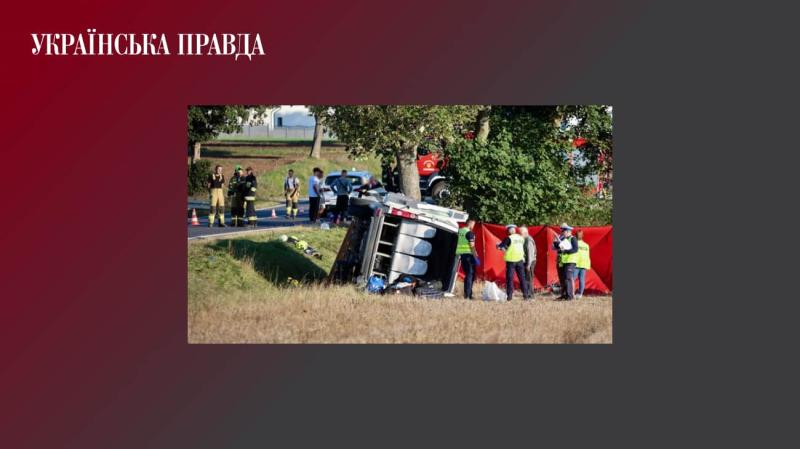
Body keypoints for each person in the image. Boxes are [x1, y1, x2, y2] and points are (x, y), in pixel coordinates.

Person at [496, 224, 530, 301]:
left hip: (511, 261)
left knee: (510, 279)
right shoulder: (521, 238)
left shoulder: (509, 238)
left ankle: (510, 296)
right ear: (514, 230)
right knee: (522, 278)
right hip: (520, 260)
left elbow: (501, 247)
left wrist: (497, 246)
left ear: (509, 231)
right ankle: (526, 295)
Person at [553, 223, 579, 300]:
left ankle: (570, 296)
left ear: (568, 231)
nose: (562, 233)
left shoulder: (573, 239)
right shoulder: (563, 238)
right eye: (562, 231)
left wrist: (565, 251)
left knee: (568, 278)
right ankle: (564, 295)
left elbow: (575, 249)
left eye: (564, 231)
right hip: (562, 261)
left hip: (570, 261)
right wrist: (556, 243)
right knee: (562, 279)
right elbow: (557, 248)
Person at [455, 219, 480, 300]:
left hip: (462, 256)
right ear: (470, 223)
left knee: (467, 275)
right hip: (469, 256)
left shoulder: (460, 231)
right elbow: (472, 245)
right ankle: (468, 295)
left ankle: (467, 294)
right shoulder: (469, 233)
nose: (473, 226)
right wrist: (476, 257)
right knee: (470, 275)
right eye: (473, 224)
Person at [519, 226, 537, 298]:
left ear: (525, 233)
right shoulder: (525, 239)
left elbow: (530, 254)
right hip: (527, 261)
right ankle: (528, 293)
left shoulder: (528, 240)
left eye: (521, 233)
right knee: (527, 278)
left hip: (530, 261)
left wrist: (528, 265)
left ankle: (531, 295)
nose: (520, 235)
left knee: (529, 278)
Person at [574, 229, 591, 298]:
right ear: (583, 236)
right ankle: (580, 294)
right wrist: (588, 265)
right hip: (584, 264)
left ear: (575, 236)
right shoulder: (586, 245)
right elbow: (588, 255)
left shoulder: (574, 244)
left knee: (572, 279)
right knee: (582, 279)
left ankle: (571, 293)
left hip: (576, 263)